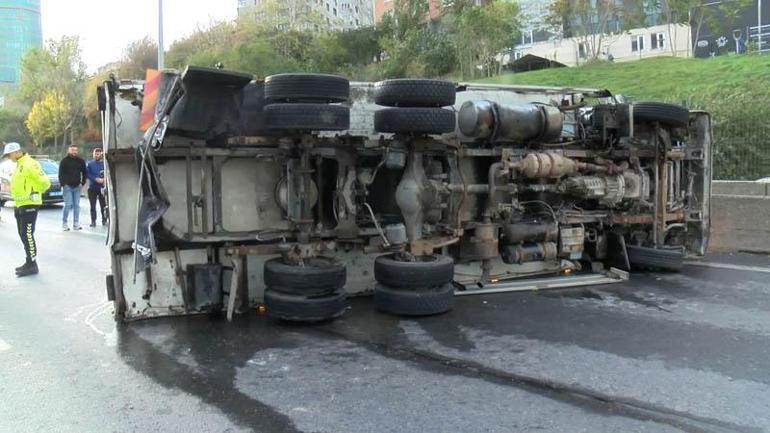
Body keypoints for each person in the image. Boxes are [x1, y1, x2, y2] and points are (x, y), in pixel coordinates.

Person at [3, 142, 51, 277]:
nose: (8, 157)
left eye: (9, 154)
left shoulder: (30, 163)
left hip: (29, 204)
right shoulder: (19, 165)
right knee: (23, 234)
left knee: (28, 234)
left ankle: (32, 264)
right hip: (20, 204)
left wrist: (34, 193)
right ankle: (28, 261)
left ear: (16, 152)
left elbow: (45, 182)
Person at [58, 144, 87, 231]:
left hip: (77, 186)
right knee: (68, 204)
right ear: (69, 151)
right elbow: (60, 174)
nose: (74, 152)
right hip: (67, 187)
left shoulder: (80, 161)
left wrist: (82, 183)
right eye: (72, 150)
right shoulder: (64, 161)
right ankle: (64, 223)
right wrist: (63, 184)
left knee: (77, 206)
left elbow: (85, 172)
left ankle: (76, 223)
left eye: (75, 150)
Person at [86, 148, 107, 227]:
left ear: (101, 154)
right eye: (95, 154)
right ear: (93, 154)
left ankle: (104, 220)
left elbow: (108, 172)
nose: (96, 155)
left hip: (102, 187)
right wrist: (95, 179)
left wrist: (104, 179)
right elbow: (87, 174)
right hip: (92, 188)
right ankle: (93, 221)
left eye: (98, 154)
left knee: (103, 205)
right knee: (92, 206)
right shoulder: (90, 164)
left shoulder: (104, 164)